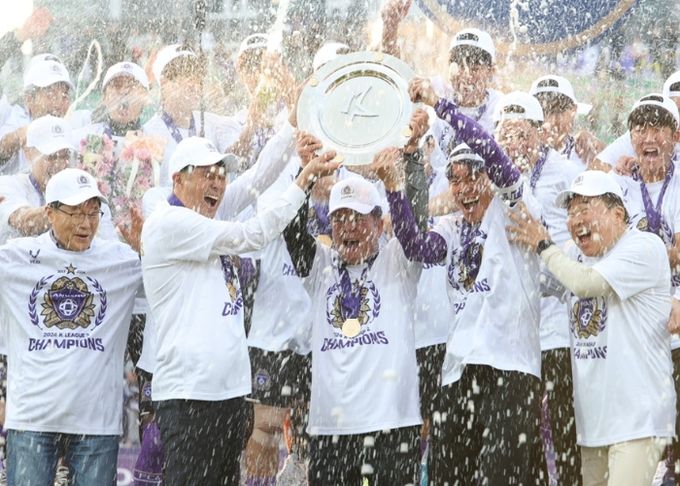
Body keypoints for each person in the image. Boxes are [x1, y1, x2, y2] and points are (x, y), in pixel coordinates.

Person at [140, 136, 339, 485]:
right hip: (190, 396)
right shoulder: (169, 221)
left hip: (228, 396)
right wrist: (304, 179)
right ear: (178, 179)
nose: (217, 183)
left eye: (221, 175)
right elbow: (254, 234)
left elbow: (257, 177)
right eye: (207, 174)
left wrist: (292, 132)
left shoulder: (207, 222)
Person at [397, 77, 547, 484]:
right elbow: (414, 246)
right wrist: (406, 165)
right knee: (449, 477)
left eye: (472, 177)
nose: (463, 189)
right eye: (455, 179)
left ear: (490, 178)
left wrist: (440, 105)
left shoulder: (514, 206)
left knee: (499, 477)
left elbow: (491, 150)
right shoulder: (451, 227)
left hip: (511, 367)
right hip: (458, 369)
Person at [507, 170, 675, 486]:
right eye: (571, 213)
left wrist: (543, 244)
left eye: (585, 209)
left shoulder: (644, 246)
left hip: (638, 419)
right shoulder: (574, 256)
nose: (576, 220)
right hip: (594, 423)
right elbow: (532, 283)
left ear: (618, 214)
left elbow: (586, 284)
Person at [0, 168, 142, 485]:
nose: (86, 223)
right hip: (32, 417)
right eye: (76, 212)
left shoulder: (122, 260)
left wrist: (148, 252)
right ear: (49, 213)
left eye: (93, 213)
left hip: (96, 423)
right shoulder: (16, 257)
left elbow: (167, 289)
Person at [493, 90, 583, 483]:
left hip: (557, 322)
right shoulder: (489, 178)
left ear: (540, 133)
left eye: (522, 134)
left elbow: (584, 237)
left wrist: (543, 244)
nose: (514, 144)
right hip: (514, 329)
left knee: (566, 427)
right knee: (521, 435)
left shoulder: (567, 172)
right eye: (505, 135)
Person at [0, 56, 75, 175]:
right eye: (50, 94)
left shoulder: (74, 125)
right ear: (29, 99)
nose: (58, 103)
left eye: (64, 95)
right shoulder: (15, 120)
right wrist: (18, 137)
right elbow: (3, 147)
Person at [529, 74, 604, 169]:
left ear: (573, 110)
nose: (549, 121)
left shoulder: (588, 155)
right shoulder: (517, 156)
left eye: (558, 110)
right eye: (541, 110)